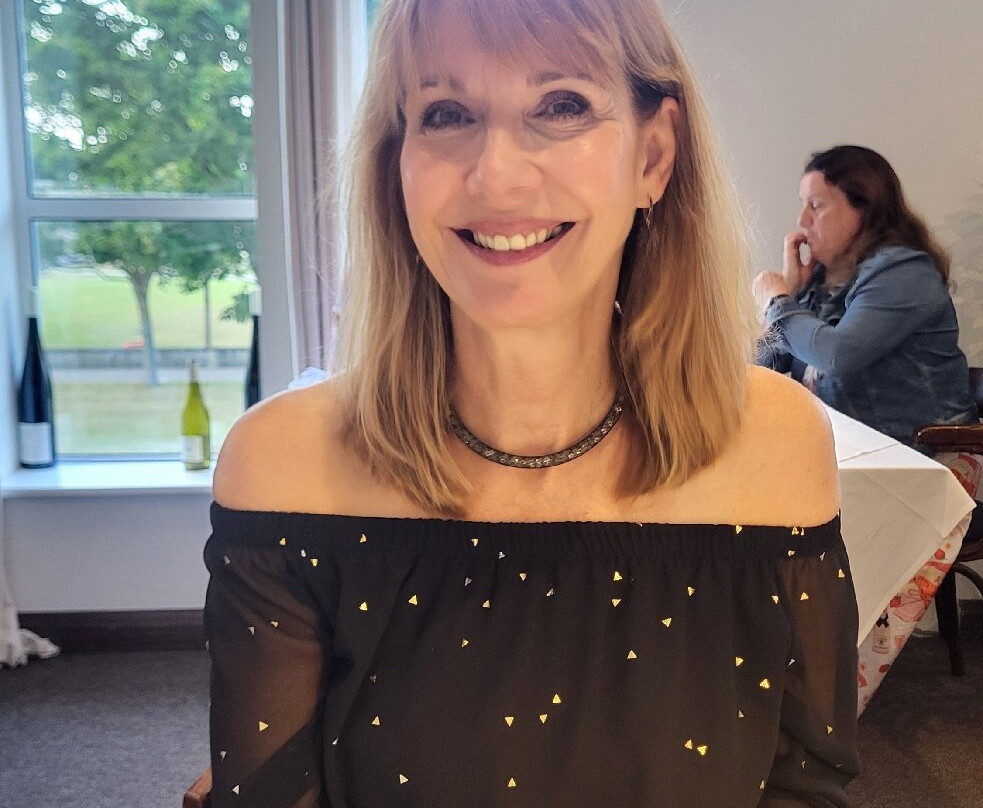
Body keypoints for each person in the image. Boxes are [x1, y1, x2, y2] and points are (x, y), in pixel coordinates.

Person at [204, 1, 860, 806]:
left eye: (561, 105)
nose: (497, 175)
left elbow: (804, 785)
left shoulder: (775, 444)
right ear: (395, 164)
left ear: (654, 156)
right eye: (446, 113)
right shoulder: (283, 465)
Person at [753, 144, 978, 447]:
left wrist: (777, 303)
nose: (802, 220)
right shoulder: (820, 280)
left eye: (816, 206)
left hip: (927, 453)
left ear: (863, 211)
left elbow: (837, 355)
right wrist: (789, 294)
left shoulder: (905, 272)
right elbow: (757, 371)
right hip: (861, 451)